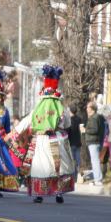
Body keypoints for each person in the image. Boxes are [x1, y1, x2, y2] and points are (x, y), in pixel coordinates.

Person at [11, 65, 74, 203]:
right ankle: (59, 193)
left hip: (41, 140)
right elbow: (68, 124)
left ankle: (39, 194)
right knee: (58, 168)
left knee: (42, 167)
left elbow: (27, 121)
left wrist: (14, 134)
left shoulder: (38, 108)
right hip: (57, 139)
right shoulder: (62, 107)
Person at [84, 101, 104, 186]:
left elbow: (94, 130)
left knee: (95, 161)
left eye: (88, 107)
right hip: (96, 141)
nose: (86, 109)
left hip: (93, 141)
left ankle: (98, 179)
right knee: (94, 161)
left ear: (92, 109)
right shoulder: (98, 117)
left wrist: (85, 130)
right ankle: (97, 178)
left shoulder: (94, 118)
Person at [66, 104, 82, 181]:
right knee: (78, 159)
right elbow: (82, 130)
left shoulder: (69, 120)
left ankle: (74, 176)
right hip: (78, 142)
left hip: (71, 142)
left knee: (72, 160)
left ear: (71, 111)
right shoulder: (79, 119)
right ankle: (79, 174)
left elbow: (68, 132)